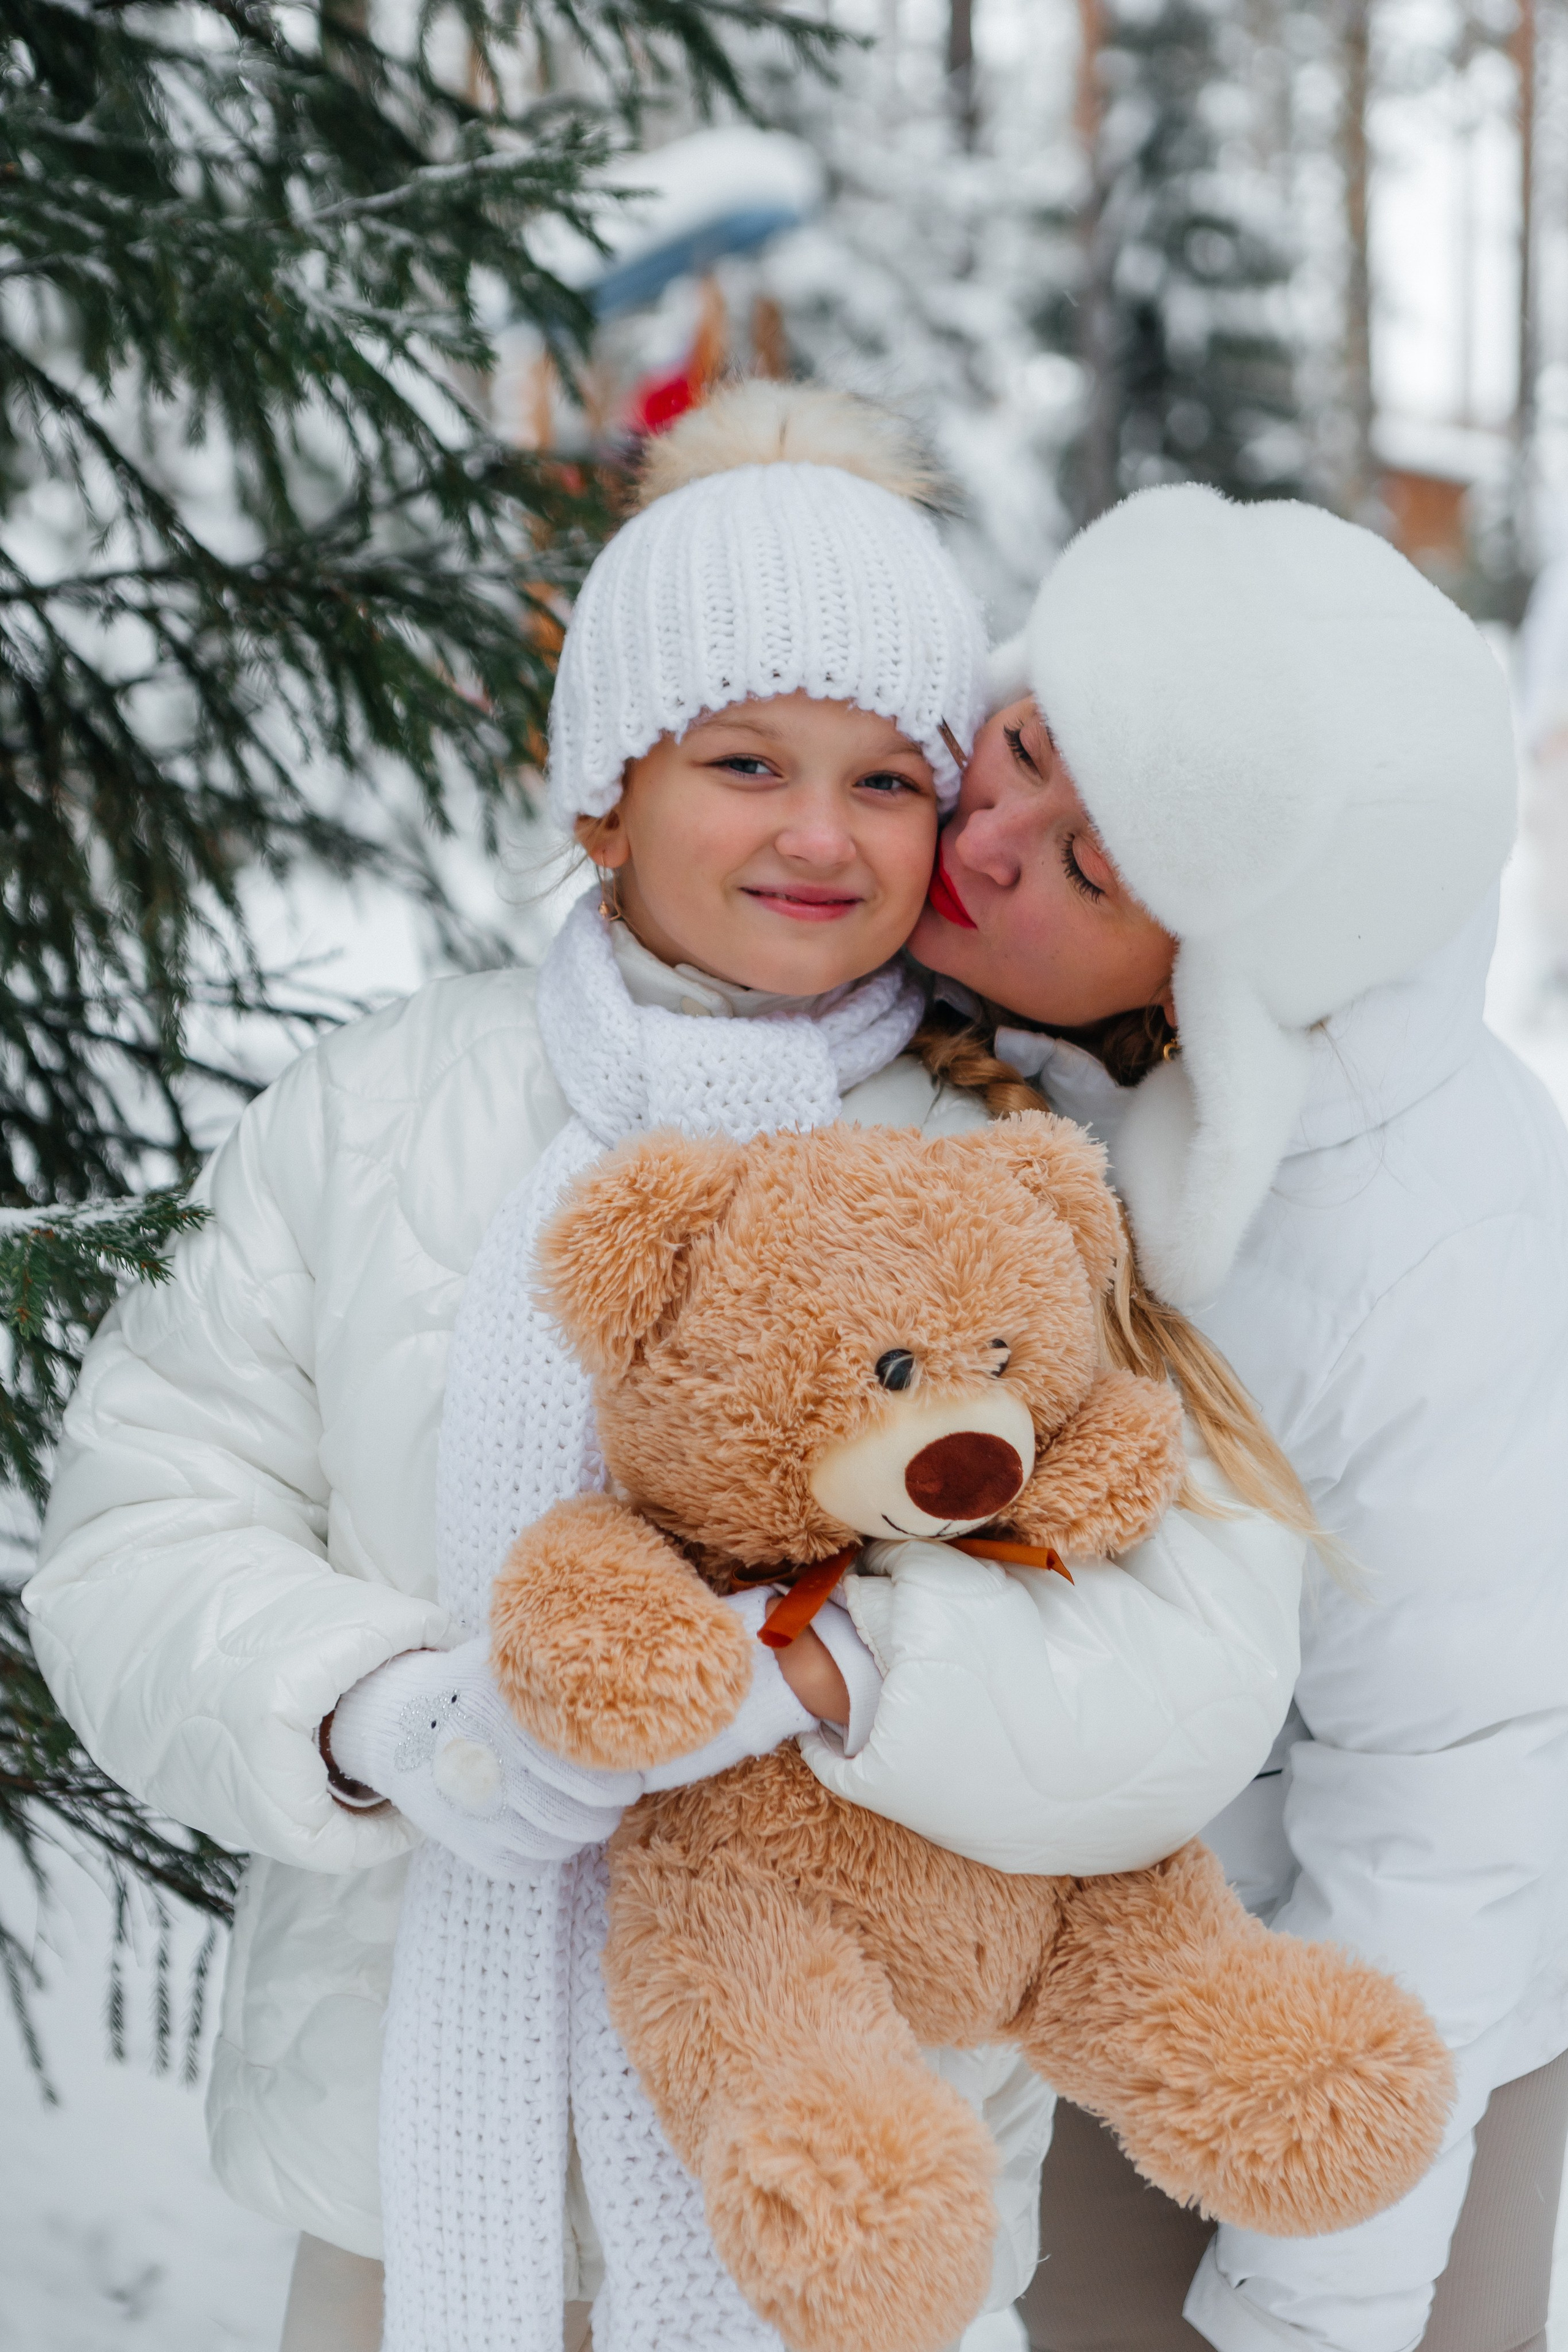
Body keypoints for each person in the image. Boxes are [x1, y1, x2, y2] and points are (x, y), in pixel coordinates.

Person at [26, 395, 1306, 2352]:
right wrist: (379, 1714)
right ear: (602, 792)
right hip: (413, 2179)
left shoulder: (1005, 1158)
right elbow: (141, 1525)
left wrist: (847, 1670)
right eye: (744, 760)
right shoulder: (385, 1113)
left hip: (842, 2195)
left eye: (890, 780)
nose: (818, 832)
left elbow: (1196, 1650)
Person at [910, 482, 1568, 2352]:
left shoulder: (1429, 1229)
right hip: (1043, 1974)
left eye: (1095, 865)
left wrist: (1327, 2282)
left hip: (1341, 2014)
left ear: (1219, 983)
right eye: (1025, 745)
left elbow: (1451, 1785)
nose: (993, 836)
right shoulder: (957, 1008)